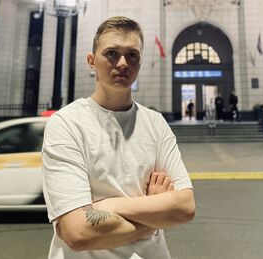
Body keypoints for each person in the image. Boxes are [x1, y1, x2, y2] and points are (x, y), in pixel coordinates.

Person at [42, 16, 195, 258]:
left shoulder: (156, 124)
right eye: (111, 53)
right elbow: (78, 232)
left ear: (140, 62)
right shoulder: (67, 123)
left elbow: (185, 207)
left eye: (132, 55)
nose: (123, 63)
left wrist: (108, 205)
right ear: (92, 61)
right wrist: (155, 212)